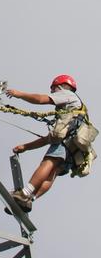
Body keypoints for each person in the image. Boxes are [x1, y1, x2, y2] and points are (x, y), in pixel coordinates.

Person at [8, 74, 90, 210]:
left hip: (66, 142)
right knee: (53, 171)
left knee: (48, 162)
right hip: (75, 151)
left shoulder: (67, 94)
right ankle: (30, 199)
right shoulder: (77, 114)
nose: (53, 93)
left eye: (53, 90)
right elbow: (49, 139)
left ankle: (25, 193)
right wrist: (26, 147)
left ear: (60, 86)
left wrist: (19, 94)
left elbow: (40, 99)